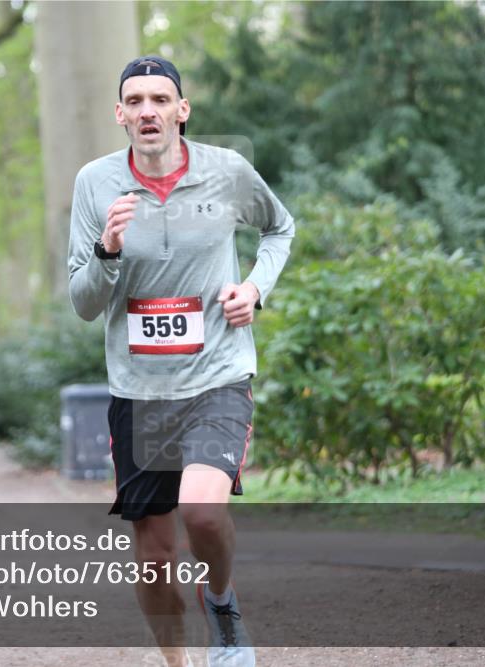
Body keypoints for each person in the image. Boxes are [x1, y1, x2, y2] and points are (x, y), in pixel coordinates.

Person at [67, 56, 294, 667]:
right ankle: (177, 662)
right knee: (154, 556)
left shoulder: (227, 172)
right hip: (139, 391)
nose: (148, 111)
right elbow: (84, 303)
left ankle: (221, 604)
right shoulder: (95, 183)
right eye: (135, 101)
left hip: (217, 375)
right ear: (120, 114)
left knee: (202, 511)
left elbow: (280, 230)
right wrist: (105, 250)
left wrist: (254, 290)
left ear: (181, 110)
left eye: (160, 100)